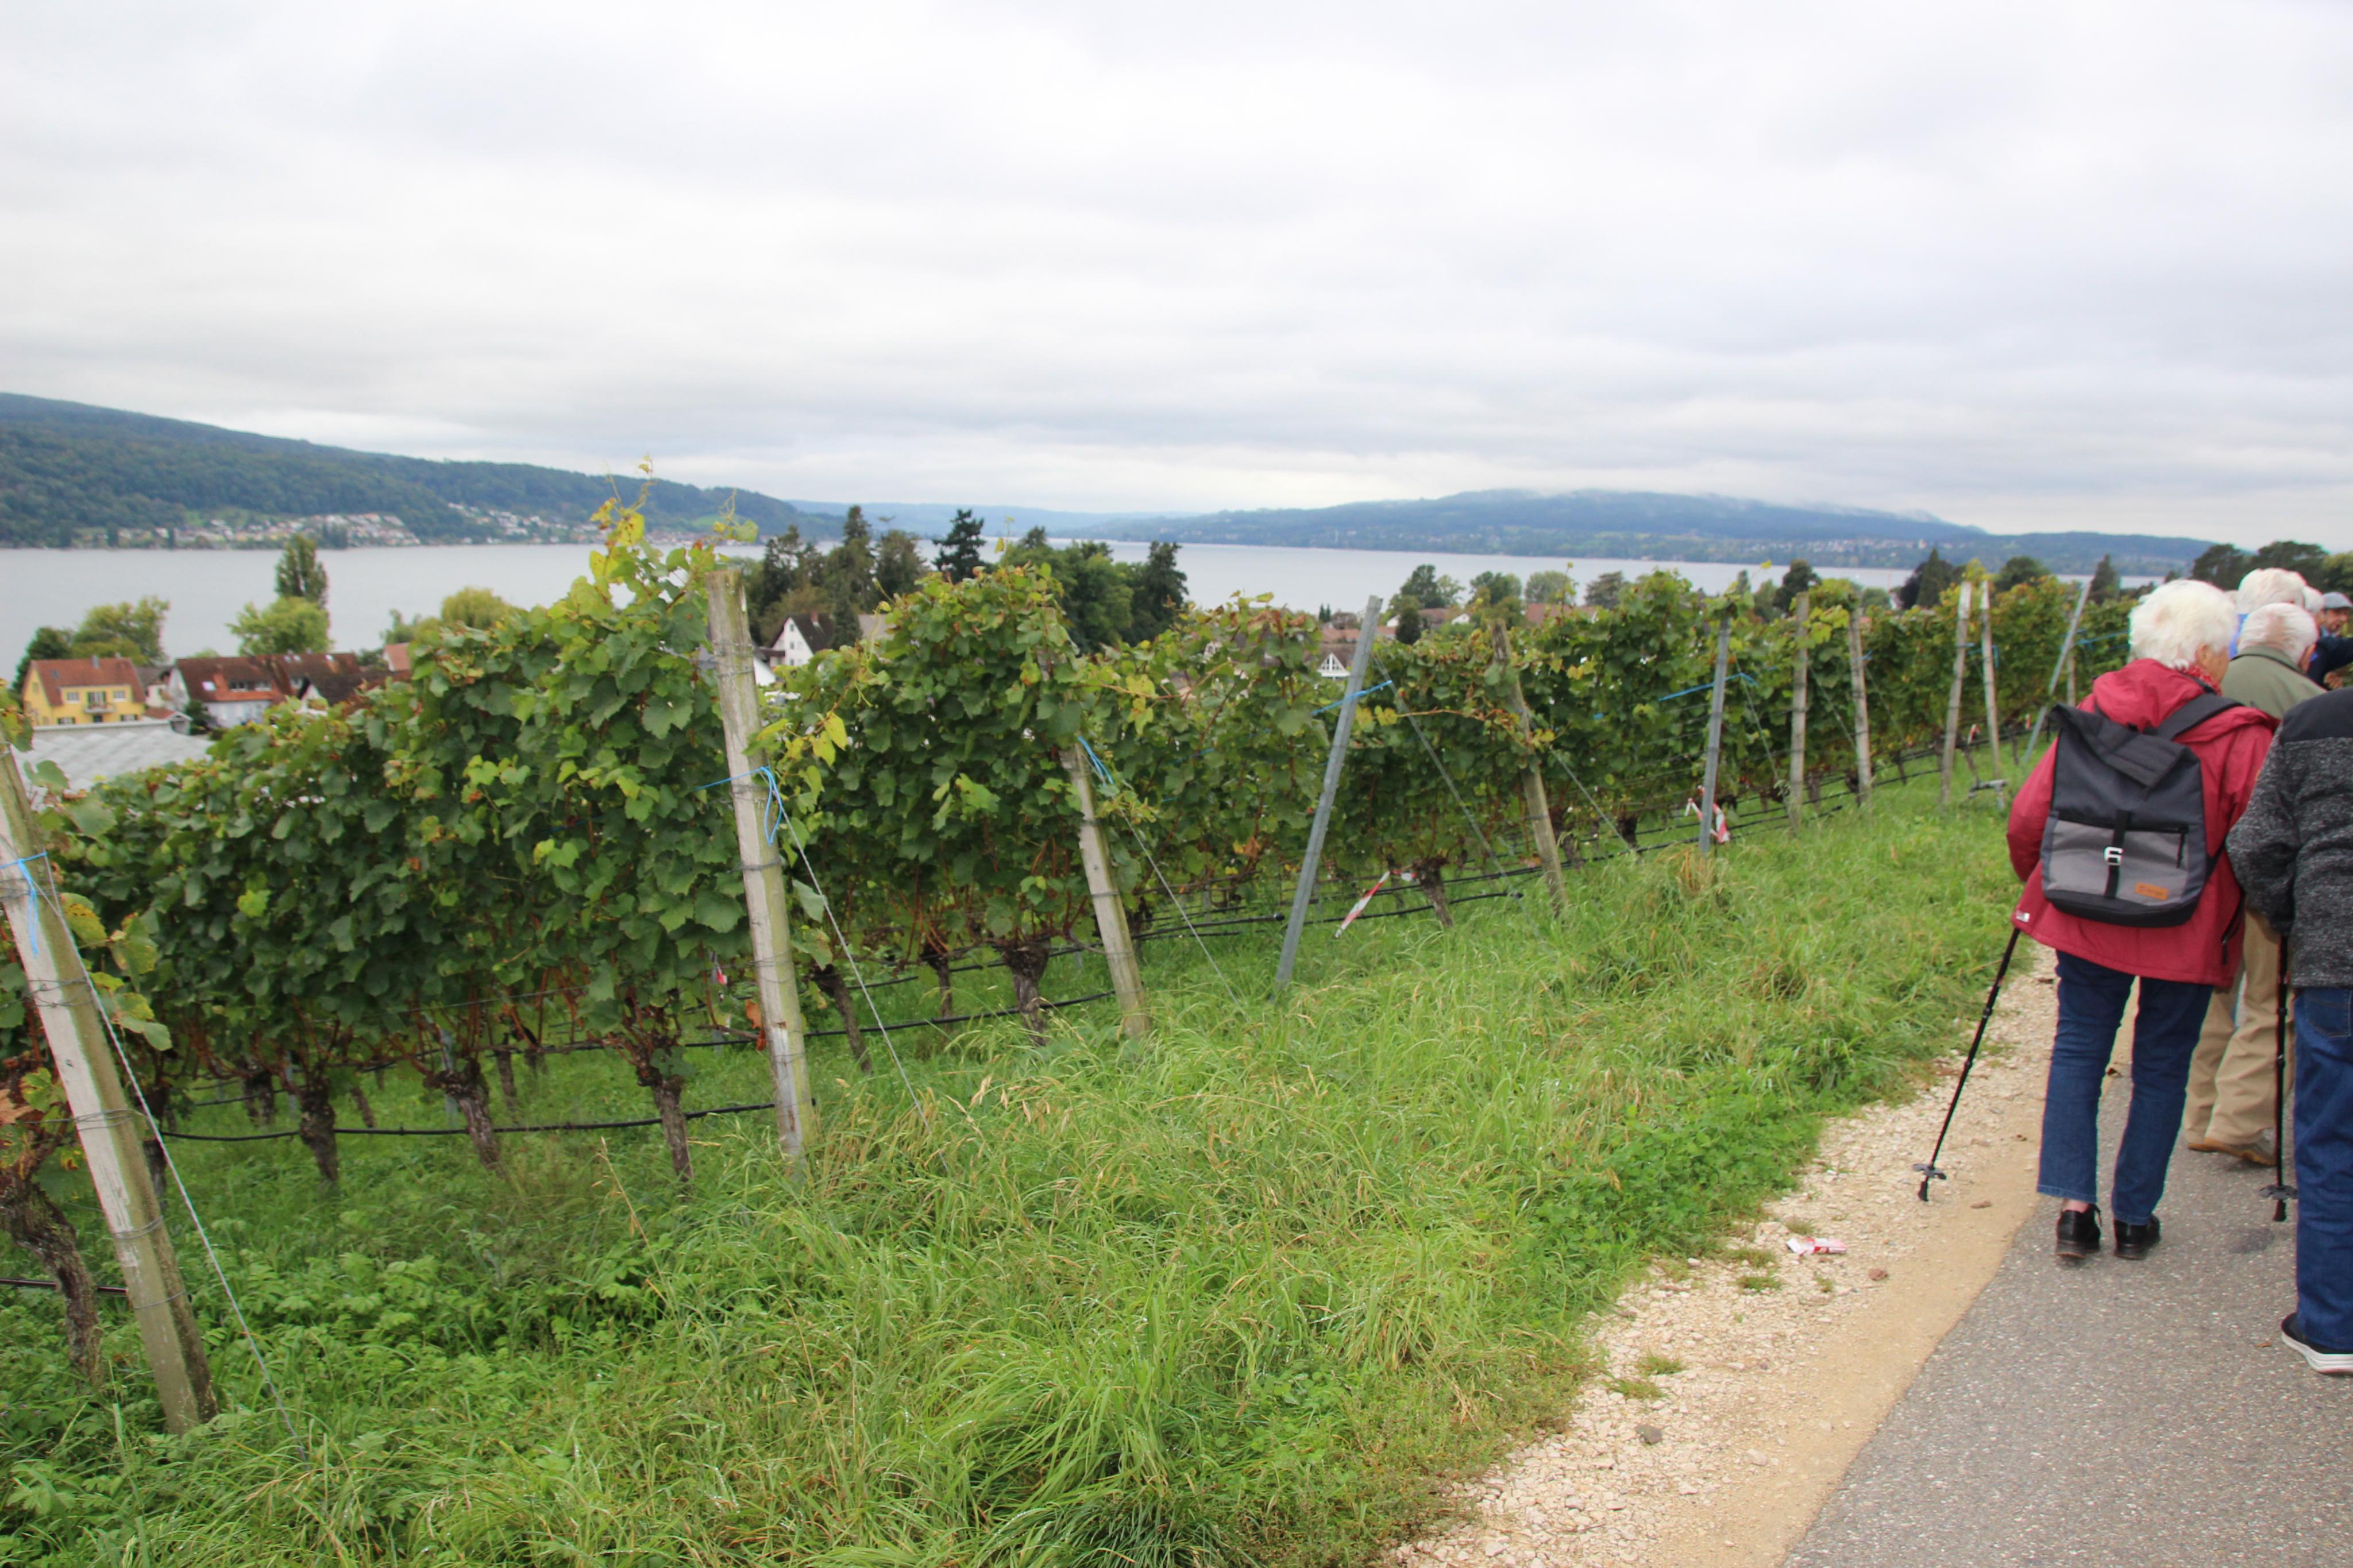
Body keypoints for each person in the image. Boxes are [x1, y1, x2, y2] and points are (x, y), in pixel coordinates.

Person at [2007, 580, 2276, 1262]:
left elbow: (2029, 816)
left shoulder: (2093, 712)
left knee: (2078, 1048)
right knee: (2161, 1065)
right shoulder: (2239, 734)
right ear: (2205, 654)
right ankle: (2133, 1216)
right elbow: (2258, 840)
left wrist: (2050, 881)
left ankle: (2073, 1211)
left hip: (2087, 908)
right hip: (2185, 922)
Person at [2225, 683, 2353, 1373]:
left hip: (2336, 964)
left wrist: (2293, 917)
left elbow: (2255, 844)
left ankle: (2332, 1327)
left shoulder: (2313, 723)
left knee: (2331, 1146)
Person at [2185, 603, 2323, 1162]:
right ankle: (2239, 1120)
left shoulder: (2206, 686)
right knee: (2271, 998)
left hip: (2202, 866)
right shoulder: (2311, 704)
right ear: (2307, 654)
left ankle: (2198, 1115)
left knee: (2213, 992)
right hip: (2269, 869)